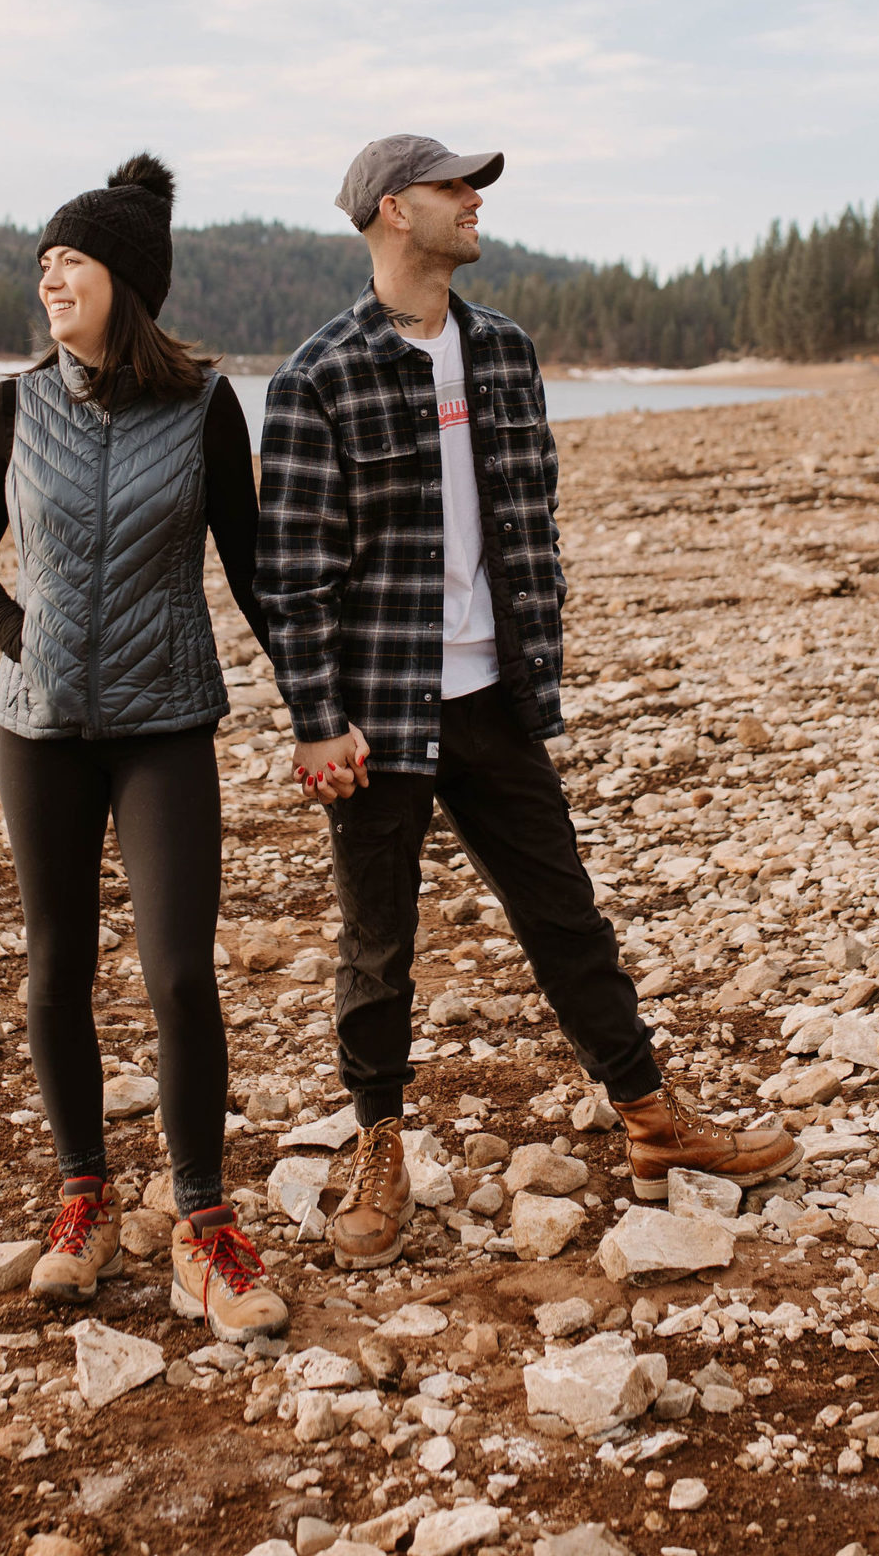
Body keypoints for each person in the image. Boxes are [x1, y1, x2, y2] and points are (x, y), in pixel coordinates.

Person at [256, 133, 795, 1271]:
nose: (476, 203)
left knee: (565, 916)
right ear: (395, 211)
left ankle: (653, 1122)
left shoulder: (504, 350)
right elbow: (292, 572)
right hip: (378, 713)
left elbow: (532, 516)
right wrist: (315, 718)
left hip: (492, 695)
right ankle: (379, 1142)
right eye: (458, 188)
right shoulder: (318, 374)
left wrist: (539, 640)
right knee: (376, 944)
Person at [0, 152, 287, 1341]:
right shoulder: (12, 406)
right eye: (41, 261)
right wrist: (20, 638)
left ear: (126, 281)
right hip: (39, 734)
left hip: (165, 725)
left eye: (70, 260)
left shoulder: (203, 408)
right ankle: (81, 1198)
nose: (48, 278)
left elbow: (253, 576)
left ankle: (204, 1227)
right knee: (57, 965)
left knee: (181, 973)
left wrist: (318, 705)